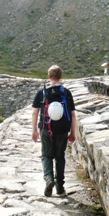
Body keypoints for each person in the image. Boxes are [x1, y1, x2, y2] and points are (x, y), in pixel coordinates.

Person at [31, 65, 77, 197]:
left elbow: (35, 112)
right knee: (60, 157)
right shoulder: (66, 93)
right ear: (60, 76)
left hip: (46, 129)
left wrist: (34, 130)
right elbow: (73, 115)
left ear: (49, 76)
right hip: (62, 129)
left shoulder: (42, 92)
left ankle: (49, 179)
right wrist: (72, 133)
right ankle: (60, 188)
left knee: (46, 155)